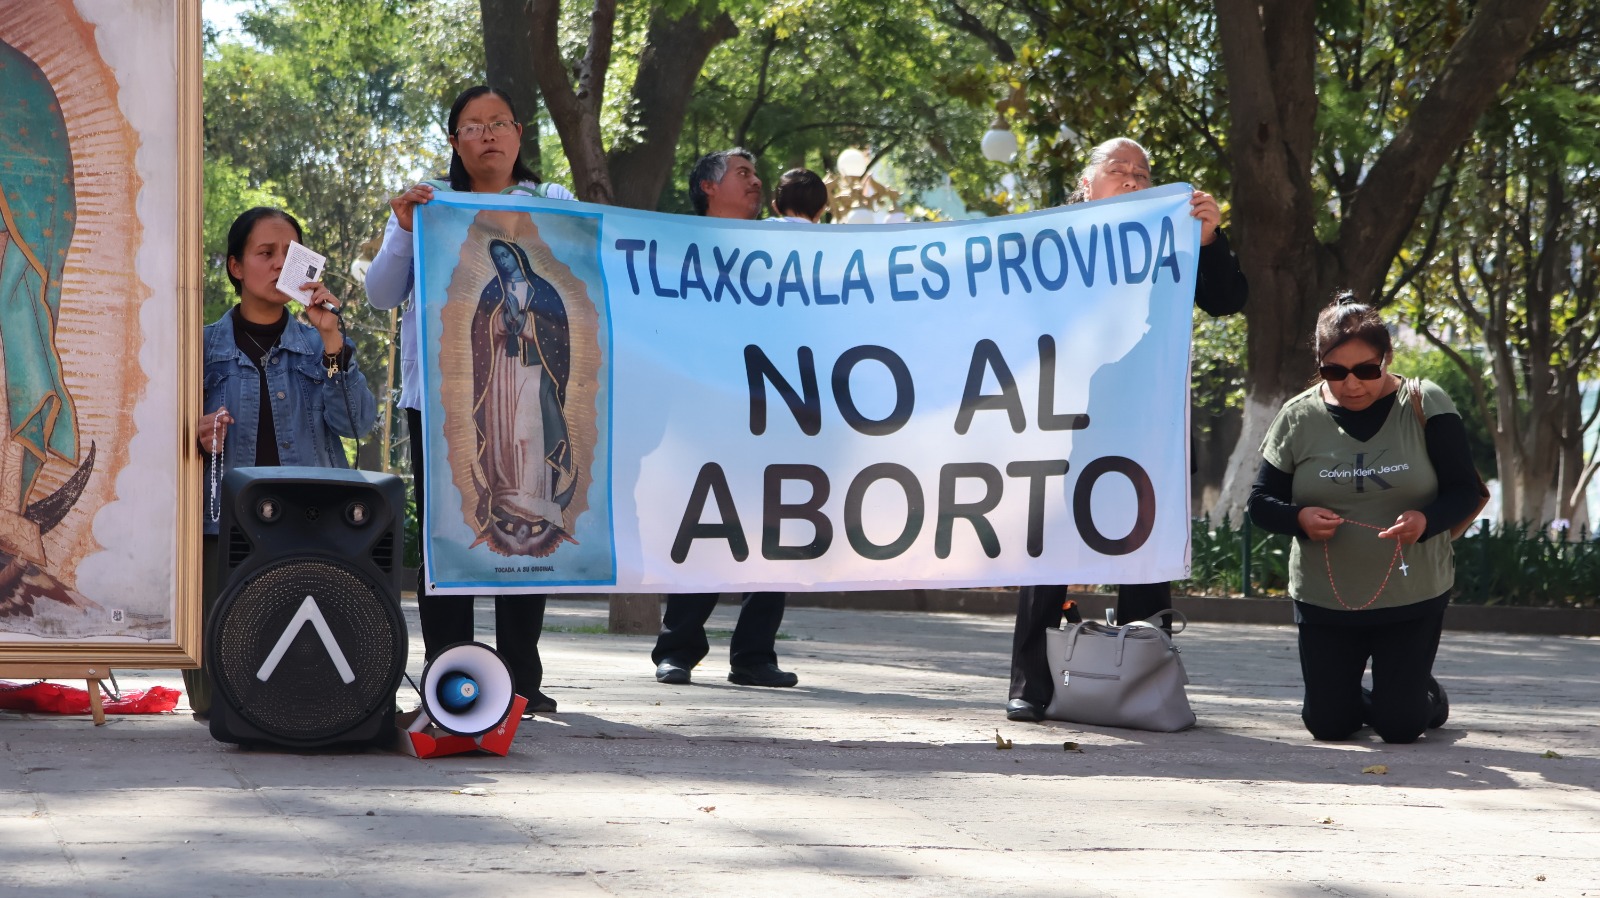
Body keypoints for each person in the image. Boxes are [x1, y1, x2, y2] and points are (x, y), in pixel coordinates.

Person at [1006, 137, 1249, 722]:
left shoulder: (1174, 239)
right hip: (1064, 422)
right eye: (1119, 170)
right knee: (1050, 552)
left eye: (1143, 172)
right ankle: (1032, 686)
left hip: (1145, 425)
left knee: (1142, 556)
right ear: (1086, 185)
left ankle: (1142, 684)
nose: (1134, 179)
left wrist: (1209, 240)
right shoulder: (1051, 240)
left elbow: (1227, 300)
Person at [364, 85, 575, 713]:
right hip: (447, 399)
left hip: (532, 390)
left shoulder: (554, 204)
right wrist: (404, 231)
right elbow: (381, 294)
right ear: (455, 141)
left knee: (527, 512)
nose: (488, 135)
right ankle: (449, 670)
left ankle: (521, 677)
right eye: (473, 126)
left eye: (499, 123)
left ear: (518, 134)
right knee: (448, 529)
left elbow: (577, 289)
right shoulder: (428, 205)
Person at [1247, 296, 1477, 743]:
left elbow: (1464, 490)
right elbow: (1260, 503)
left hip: (1412, 595)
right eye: (1335, 372)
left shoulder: (1425, 402)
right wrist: (1299, 518)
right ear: (1319, 364)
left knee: (1401, 727)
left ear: (1387, 358)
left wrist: (1425, 521)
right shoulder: (1297, 416)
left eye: (1366, 370)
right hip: (1325, 600)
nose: (1351, 384)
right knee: (1328, 725)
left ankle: (1421, 695)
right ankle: (1389, 693)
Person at [187, 207, 378, 718]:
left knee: (307, 679)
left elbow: (357, 422)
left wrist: (333, 340)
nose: (278, 264)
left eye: (289, 254)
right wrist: (195, 434)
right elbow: (159, 438)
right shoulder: (199, 346)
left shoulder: (320, 342)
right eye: (264, 253)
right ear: (235, 266)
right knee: (214, 698)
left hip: (310, 520)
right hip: (223, 522)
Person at [652, 148, 798, 689]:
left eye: (757, 174)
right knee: (704, 527)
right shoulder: (676, 250)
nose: (756, 182)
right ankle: (678, 648)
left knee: (776, 528)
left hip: (772, 408)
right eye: (743, 173)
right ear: (708, 187)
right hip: (703, 414)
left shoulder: (780, 251)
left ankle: (755, 655)